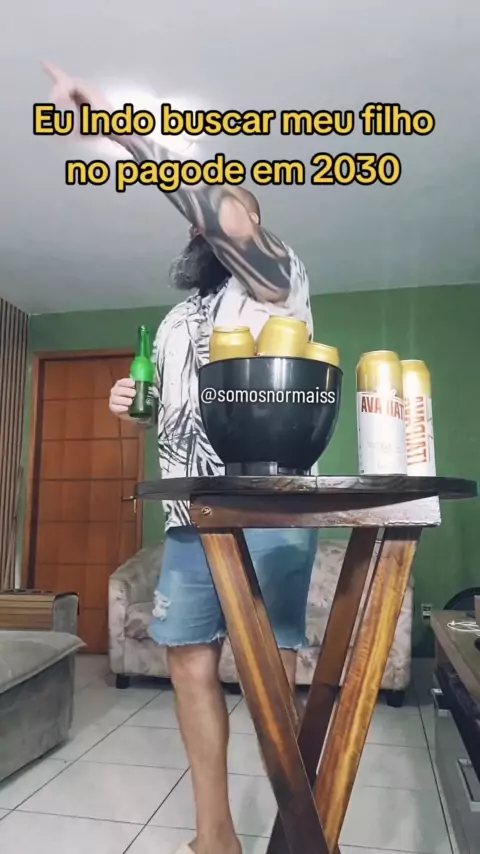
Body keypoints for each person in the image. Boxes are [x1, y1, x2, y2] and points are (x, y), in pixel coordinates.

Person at [42, 61, 318, 854]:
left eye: (230, 212)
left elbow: (216, 208)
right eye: (204, 220)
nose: (209, 226)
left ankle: (302, 827)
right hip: (189, 515)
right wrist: (133, 403)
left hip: (267, 509)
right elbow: (169, 412)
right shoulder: (172, 320)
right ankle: (214, 835)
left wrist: (115, 121)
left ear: (251, 229)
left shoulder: (278, 281)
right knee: (188, 663)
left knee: (271, 672)